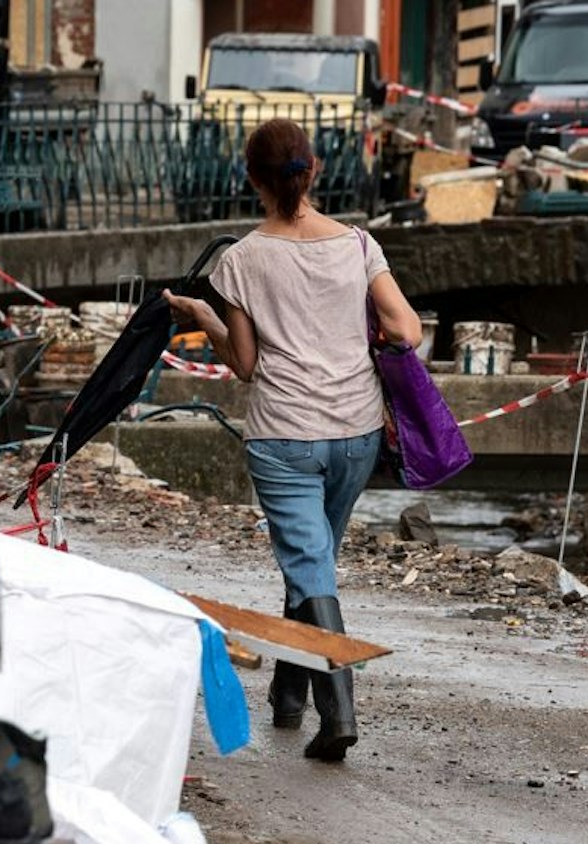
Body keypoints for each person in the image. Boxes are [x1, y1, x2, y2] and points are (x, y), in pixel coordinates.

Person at [166, 118, 422, 762]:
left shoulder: (242, 260)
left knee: (309, 565)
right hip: (356, 434)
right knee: (312, 562)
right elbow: (407, 330)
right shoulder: (359, 245)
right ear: (315, 172)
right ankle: (288, 694)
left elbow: (246, 364)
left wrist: (202, 316)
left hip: (284, 436)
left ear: (251, 179)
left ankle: (338, 713)